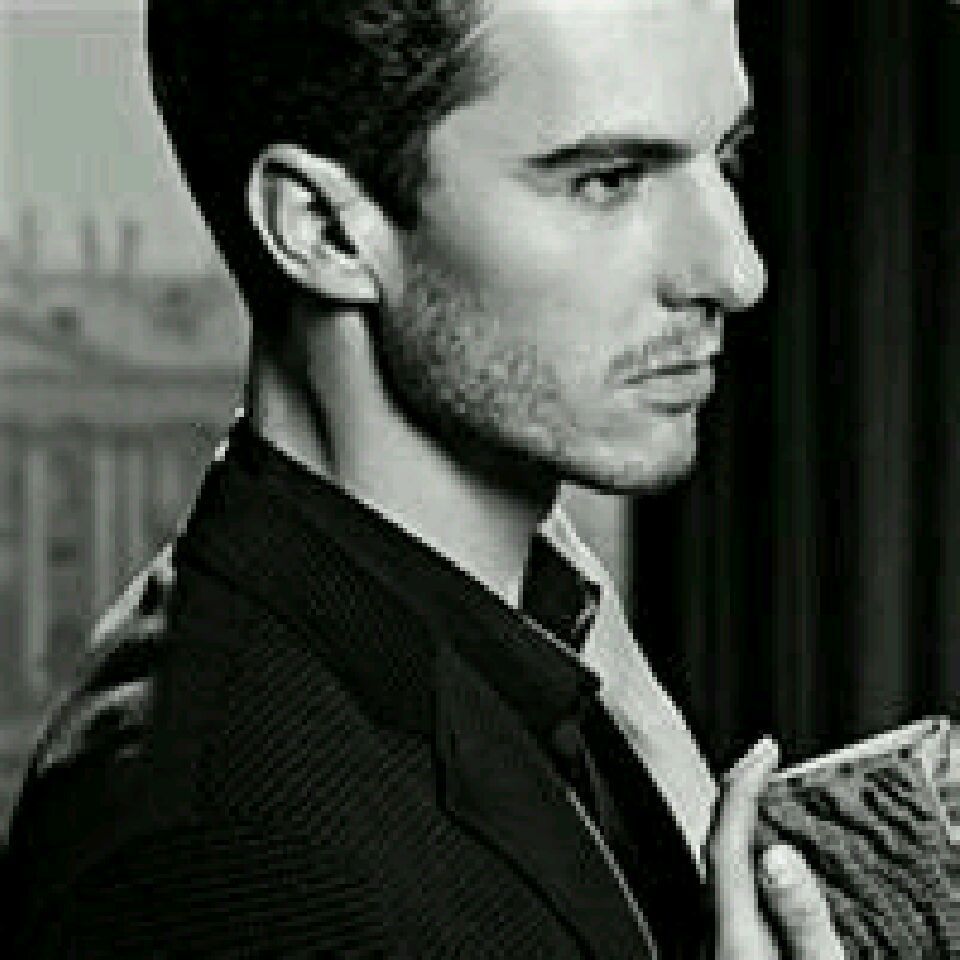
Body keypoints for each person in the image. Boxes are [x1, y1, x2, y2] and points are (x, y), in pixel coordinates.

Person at [3, 0, 845, 956]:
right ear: (322, 229)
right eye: (608, 180)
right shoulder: (226, 863)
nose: (736, 271)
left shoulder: (543, 648)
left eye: (725, 158)